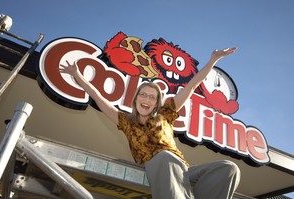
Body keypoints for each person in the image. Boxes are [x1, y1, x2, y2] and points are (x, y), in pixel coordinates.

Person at [60, 47, 241, 199]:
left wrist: (213, 60)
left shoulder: (166, 113)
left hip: (181, 169)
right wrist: (77, 74)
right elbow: (98, 97)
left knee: (228, 168)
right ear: (136, 99)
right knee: (165, 157)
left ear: (157, 103)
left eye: (152, 97)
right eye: (143, 95)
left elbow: (193, 85)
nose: (146, 99)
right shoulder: (126, 121)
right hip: (155, 166)